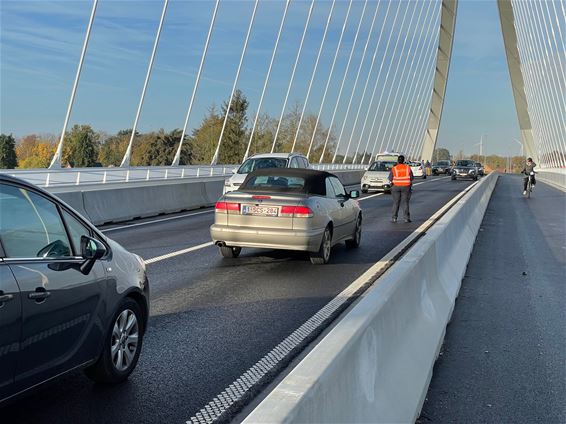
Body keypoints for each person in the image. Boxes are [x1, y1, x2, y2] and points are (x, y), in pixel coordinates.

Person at [389, 155, 414, 223]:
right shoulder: (408, 168)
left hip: (396, 187)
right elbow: (411, 177)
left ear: (398, 161)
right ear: (403, 161)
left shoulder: (394, 168)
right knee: (405, 202)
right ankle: (406, 218)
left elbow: (390, 178)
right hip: (406, 187)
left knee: (396, 202)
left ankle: (394, 218)